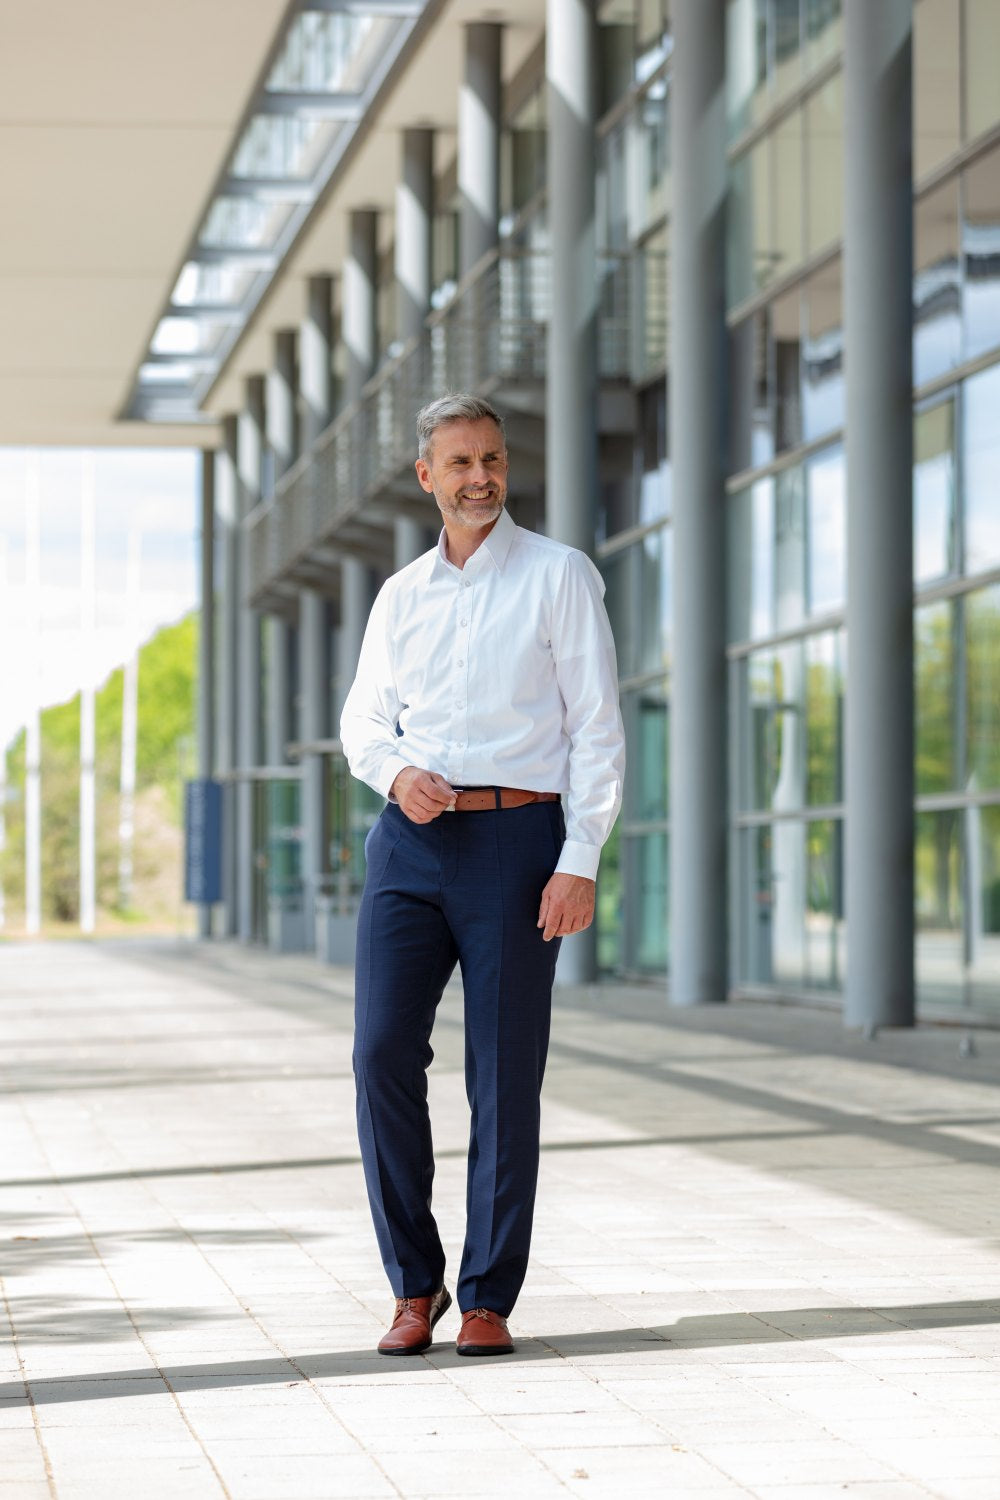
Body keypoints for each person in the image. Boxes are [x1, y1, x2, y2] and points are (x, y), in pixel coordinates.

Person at [340, 393, 625, 1357]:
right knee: (380, 1053)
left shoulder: (558, 576)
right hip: (411, 847)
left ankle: (488, 1296)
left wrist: (578, 858)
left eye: (491, 459)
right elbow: (361, 725)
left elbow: (596, 730)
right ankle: (412, 1287)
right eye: (459, 463)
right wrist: (396, 771)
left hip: (518, 844)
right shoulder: (399, 598)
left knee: (504, 1076)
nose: (479, 478)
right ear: (427, 477)